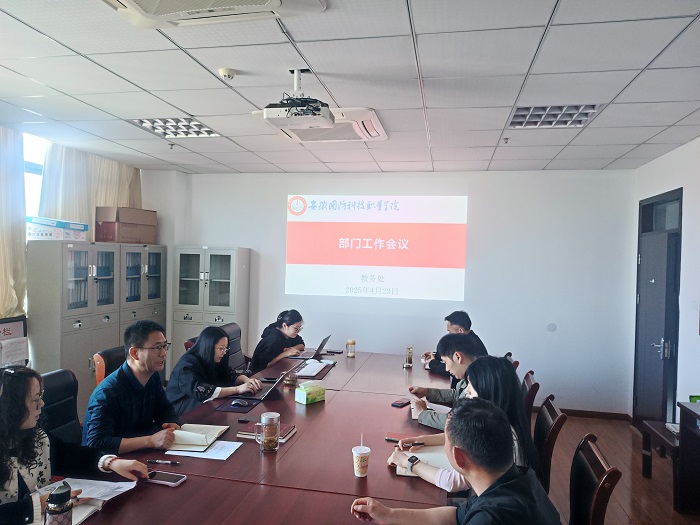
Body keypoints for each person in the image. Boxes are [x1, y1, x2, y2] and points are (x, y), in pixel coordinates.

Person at [351, 398, 561, 525]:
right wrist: (388, 514)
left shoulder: (490, 518)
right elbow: (457, 516)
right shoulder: (518, 477)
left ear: (459, 457)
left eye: (446, 441)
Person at [0, 366, 148, 525]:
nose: (42, 403)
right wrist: (37, 505)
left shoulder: (35, 436)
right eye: (36, 399)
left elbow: (69, 456)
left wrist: (109, 462)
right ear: (12, 406)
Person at [389, 356, 542, 492]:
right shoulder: (498, 422)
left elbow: (452, 482)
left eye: (471, 385)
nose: (467, 391)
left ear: (488, 391)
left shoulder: (499, 438)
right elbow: (463, 435)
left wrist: (408, 462)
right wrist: (422, 440)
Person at [82, 320, 181, 454]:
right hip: (111, 462)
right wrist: (150, 441)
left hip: (140, 453)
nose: (163, 353)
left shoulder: (152, 377)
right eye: (157, 348)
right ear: (134, 353)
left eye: (164, 346)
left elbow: (164, 409)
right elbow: (96, 443)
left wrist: (171, 422)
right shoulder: (108, 392)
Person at [166, 326, 263, 416]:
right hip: (182, 412)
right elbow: (204, 392)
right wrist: (238, 389)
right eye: (221, 348)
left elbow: (229, 374)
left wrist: (246, 380)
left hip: (204, 407)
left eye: (226, 348)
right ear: (209, 347)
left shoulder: (211, 358)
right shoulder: (187, 366)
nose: (224, 352)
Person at [409, 332, 488, 430]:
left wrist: (422, 414)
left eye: (445, 362)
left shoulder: (480, 381)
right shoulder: (473, 373)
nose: (446, 369)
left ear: (458, 357)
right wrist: (427, 392)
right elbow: (457, 394)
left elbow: (458, 423)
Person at [422, 311, 487, 388]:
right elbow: (451, 356)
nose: (449, 335)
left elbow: (454, 369)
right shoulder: (468, 340)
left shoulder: (473, 345)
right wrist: (435, 356)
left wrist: (433, 363)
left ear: (460, 331)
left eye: (450, 332)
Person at [249, 310, 305, 374]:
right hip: (260, 376)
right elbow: (264, 367)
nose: (298, 331)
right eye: (296, 328)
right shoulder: (273, 339)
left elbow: (301, 345)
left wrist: (290, 349)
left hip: (277, 370)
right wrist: (285, 354)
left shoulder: (288, 334)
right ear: (285, 326)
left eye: (299, 328)